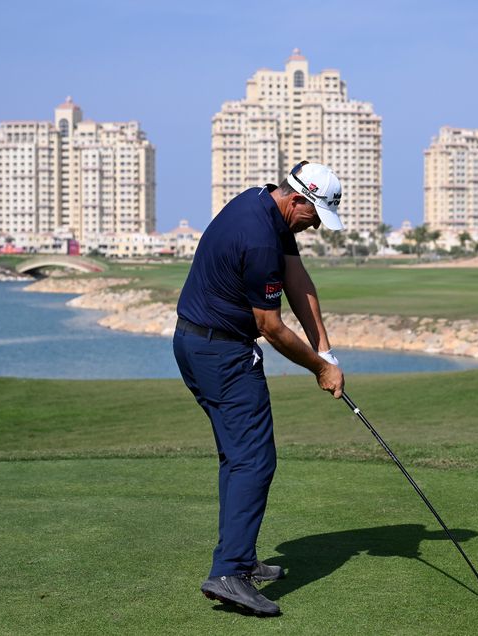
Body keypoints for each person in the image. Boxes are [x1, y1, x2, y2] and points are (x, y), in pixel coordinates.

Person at [173, 161, 345, 616]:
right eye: (315, 216)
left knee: (238, 456)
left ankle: (240, 559)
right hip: (221, 353)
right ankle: (229, 572)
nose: (316, 227)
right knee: (254, 459)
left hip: (198, 342)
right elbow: (270, 326)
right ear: (297, 200)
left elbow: (297, 280)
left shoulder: (265, 204)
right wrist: (318, 370)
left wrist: (326, 351)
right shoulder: (260, 237)